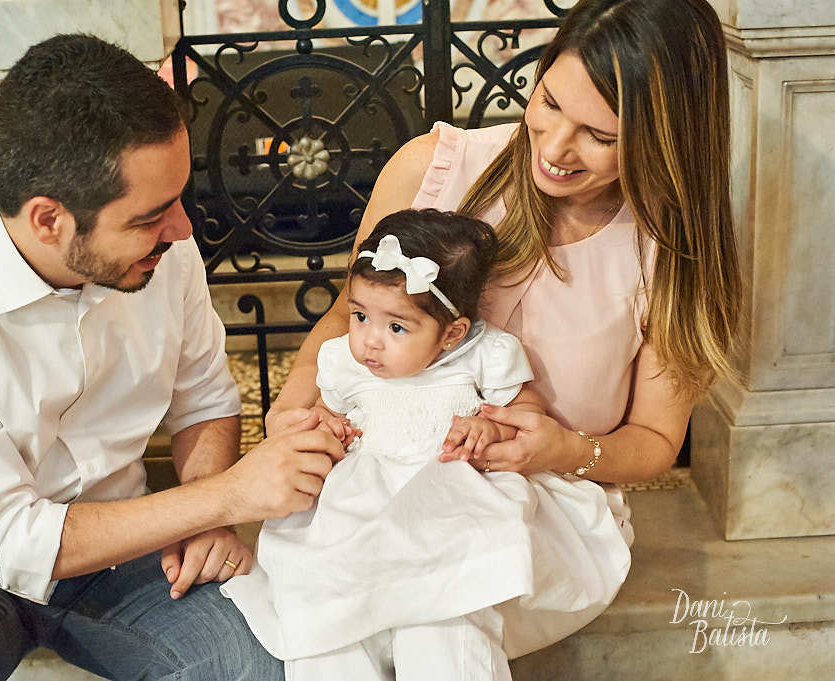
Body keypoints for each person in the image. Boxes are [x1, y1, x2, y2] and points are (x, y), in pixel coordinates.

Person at [0, 34, 344, 681]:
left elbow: (207, 399)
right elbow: (6, 538)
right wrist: (226, 496)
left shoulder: (165, 250)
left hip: (126, 546)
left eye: (179, 200)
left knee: (264, 667)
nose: (184, 230)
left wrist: (203, 509)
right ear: (49, 219)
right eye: (151, 216)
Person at [265, 0, 741, 671]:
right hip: (375, 479)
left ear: (668, 135)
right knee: (334, 635)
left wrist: (568, 448)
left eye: (600, 136)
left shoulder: (669, 254)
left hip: (539, 507)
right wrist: (294, 410)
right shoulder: (432, 169)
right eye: (548, 102)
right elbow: (347, 319)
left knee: (442, 610)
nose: (553, 148)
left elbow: (656, 440)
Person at [223, 209, 632, 680]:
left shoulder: (484, 355)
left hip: (450, 500)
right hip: (362, 506)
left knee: (448, 613)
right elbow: (326, 414)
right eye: (359, 316)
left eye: (396, 327)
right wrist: (327, 426)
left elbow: (527, 416)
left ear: (452, 333)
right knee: (329, 619)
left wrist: (489, 429)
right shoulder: (342, 363)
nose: (370, 341)